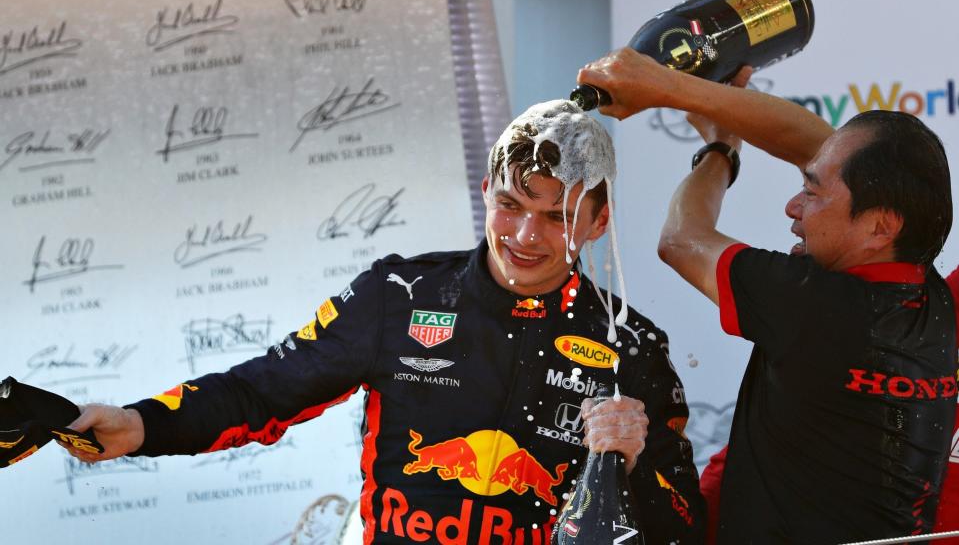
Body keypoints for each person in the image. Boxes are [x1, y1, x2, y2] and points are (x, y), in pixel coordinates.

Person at [60, 100, 705, 543]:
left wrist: (638, 460)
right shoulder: (397, 293)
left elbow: (685, 524)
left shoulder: (632, 346)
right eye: (510, 205)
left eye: (556, 216)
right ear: (485, 192)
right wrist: (142, 423)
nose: (526, 235)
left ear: (598, 223)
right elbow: (263, 390)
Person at [577, 49, 957, 542]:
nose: (793, 206)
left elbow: (681, 238)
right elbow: (826, 148)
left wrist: (718, 150)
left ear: (881, 227)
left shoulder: (807, 302)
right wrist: (685, 91)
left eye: (813, 193)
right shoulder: (933, 298)